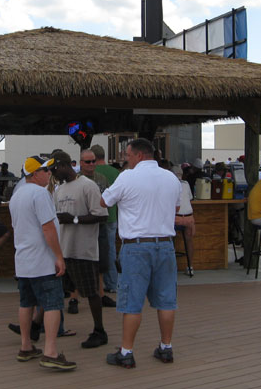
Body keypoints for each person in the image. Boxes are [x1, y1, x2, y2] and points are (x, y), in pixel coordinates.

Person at [101, 138, 181, 368]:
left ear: (138, 155)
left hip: (136, 245)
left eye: (127, 156)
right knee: (166, 300)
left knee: (132, 302)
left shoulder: (127, 176)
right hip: (165, 244)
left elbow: (104, 200)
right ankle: (166, 348)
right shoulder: (170, 178)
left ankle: (126, 352)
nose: (126, 160)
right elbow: (175, 208)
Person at [10, 155, 76, 371]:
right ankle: (50, 352)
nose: (49, 174)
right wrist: (59, 256)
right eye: (46, 170)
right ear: (35, 174)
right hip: (42, 260)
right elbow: (48, 228)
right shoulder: (40, 194)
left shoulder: (17, 195)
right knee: (53, 304)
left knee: (26, 303)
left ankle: (26, 346)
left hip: (23, 259)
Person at [51, 151, 109, 349]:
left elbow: (102, 216)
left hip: (83, 250)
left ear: (64, 165)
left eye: (54, 169)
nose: (53, 173)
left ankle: (99, 331)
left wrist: (73, 219)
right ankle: (35, 325)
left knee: (91, 292)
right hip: (63, 249)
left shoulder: (88, 186)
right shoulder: (59, 190)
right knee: (53, 289)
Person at [78, 148, 115, 308]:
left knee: (101, 259)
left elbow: (107, 198)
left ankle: (101, 294)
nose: (92, 164)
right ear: (81, 163)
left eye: (93, 161)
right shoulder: (76, 179)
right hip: (81, 227)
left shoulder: (101, 177)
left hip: (100, 224)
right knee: (77, 261)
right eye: (88, 162)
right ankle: (75, 297)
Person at [90, 144, 120, 294]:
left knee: (93, 251)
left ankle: (95, 285)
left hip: (93, 218)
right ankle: (113, 283)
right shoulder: (115, 172)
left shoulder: (89, 172)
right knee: (110, 250)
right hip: (112, 216)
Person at [171, 164, 195, 277]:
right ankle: (190, 267)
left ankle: (170, 268)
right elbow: (190, 199)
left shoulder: (170, 184)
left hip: (177, 218)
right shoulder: (186, 184)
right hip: (189, 217)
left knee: (169, 239)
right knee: (189, 241)